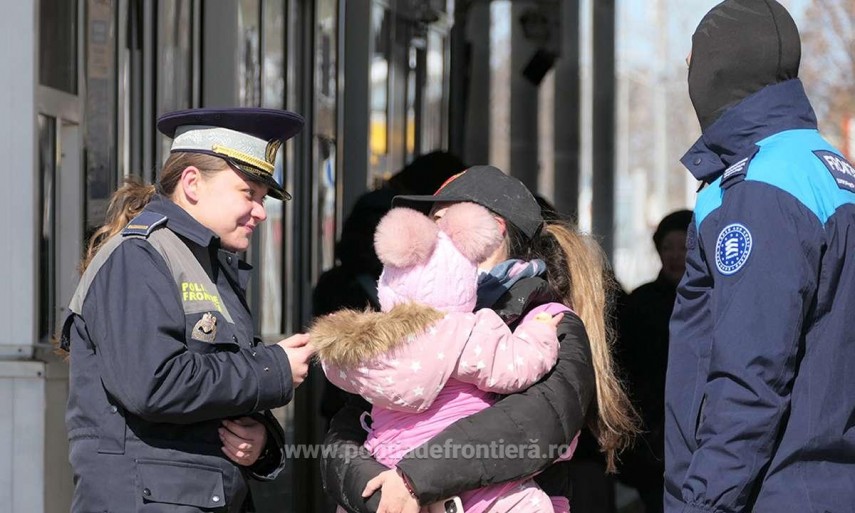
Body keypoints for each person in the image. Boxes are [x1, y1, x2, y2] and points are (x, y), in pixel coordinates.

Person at [320, 165, 639, 513]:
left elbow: (533, 425)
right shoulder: (413, 326)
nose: (431, 238)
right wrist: (377, 491)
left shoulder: (548, 323)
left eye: (443, 223)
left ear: (493, 233)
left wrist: (413, 480)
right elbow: (348, 428)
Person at [58, 108, 316, 512]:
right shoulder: (139, 256)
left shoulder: (209, 263)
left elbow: (217, 391)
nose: (261, 212)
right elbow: (153, 383)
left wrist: (260, 440)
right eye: (248, 193)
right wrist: (273, 369)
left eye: (264, 198)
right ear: (192, 182)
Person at [665, 1, 855, 512]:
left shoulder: (760, 188)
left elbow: (749, 379)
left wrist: (699, 505)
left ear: (719, 68)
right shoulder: (827, 168)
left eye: (693, 61)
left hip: (773, 493)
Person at [314, 203, 573, 512]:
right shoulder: (463, 331)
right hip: (465, 478)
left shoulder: (369, 345)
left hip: (387, 462)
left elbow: (336, 371)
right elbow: (518, 366)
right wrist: (540, 332)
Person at [617, 209, 691, 513]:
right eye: (668, 247)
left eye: (684, 247)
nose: (675, 256)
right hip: (651, 441)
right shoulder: (640, 304)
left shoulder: (718, 299)